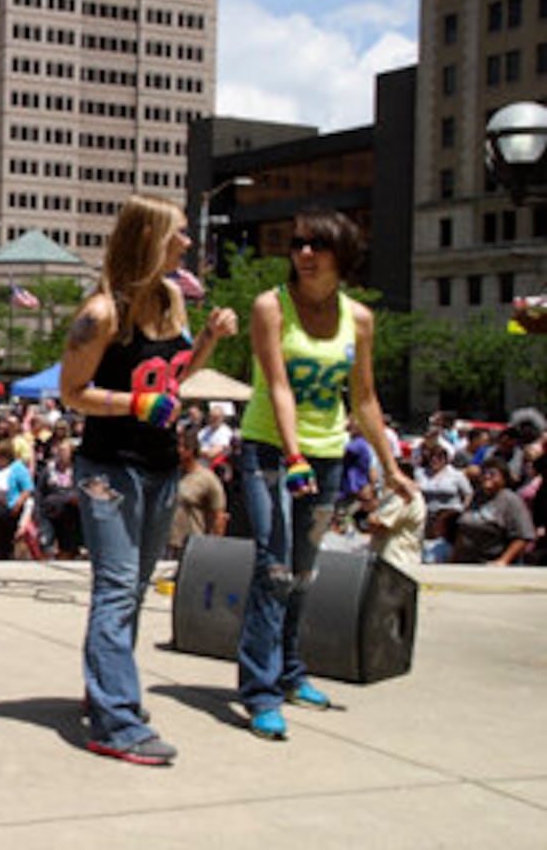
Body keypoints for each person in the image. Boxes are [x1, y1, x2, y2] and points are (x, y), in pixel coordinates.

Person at [60, 194, 237, 765]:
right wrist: (135, 405)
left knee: (132, 590)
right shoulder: (102, 313)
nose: (187, 242)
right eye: (178, 233)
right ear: (150, 238)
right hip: (109, 470)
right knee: (115, 589)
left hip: (161, 466)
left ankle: (108, 692)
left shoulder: (170, 299)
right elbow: (72, 392)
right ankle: (115, 721)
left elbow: (174, 381)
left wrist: (208, 339)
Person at [235, 208, 415, 742]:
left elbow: (363, 397)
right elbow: (280, 386)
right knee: (274, 567)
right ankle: (260, 691)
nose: (304, 253)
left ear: (342, 254)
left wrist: (391, 466)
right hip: (270, 450)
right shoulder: (271, 307)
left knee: (304, 571)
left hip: (329, 453)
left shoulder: (358, 318)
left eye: (317, 245)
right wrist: (292, 456)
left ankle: (291, 672)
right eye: (297, 244)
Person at [451, 459, 533, 565]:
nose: (487, 476)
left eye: (492, 474)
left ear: (504, 478)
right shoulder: (476, 497)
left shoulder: (510, 500)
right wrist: (453, 559)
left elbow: (522, 537)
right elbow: (463, 530)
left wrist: (504, 560)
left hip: (492, 563)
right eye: (484, 473)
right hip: (466, 561)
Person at [169, 426, 227, 557]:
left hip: (191, 546)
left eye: (184, 447)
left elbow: (219, 516)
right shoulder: (170, 475)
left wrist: (212, 549)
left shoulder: (207, 479)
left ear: (193, 450)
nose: (179, 451)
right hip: (164, 544)